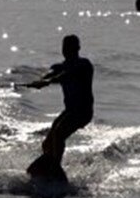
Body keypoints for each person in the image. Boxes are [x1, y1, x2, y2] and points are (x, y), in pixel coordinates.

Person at [23, 34, 94, 179]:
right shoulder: (59, 67)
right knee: (47, 144)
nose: (67, 50)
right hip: (70, 111)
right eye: (65, 47)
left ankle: (55, 167)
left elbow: (67, 74)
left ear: (78, 48)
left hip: (83, 112)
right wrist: (41, 81)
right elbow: (51, 73)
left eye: (71, 47)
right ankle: (47, 165)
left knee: (59, 133)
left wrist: (50, 81)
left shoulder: (84, 65)